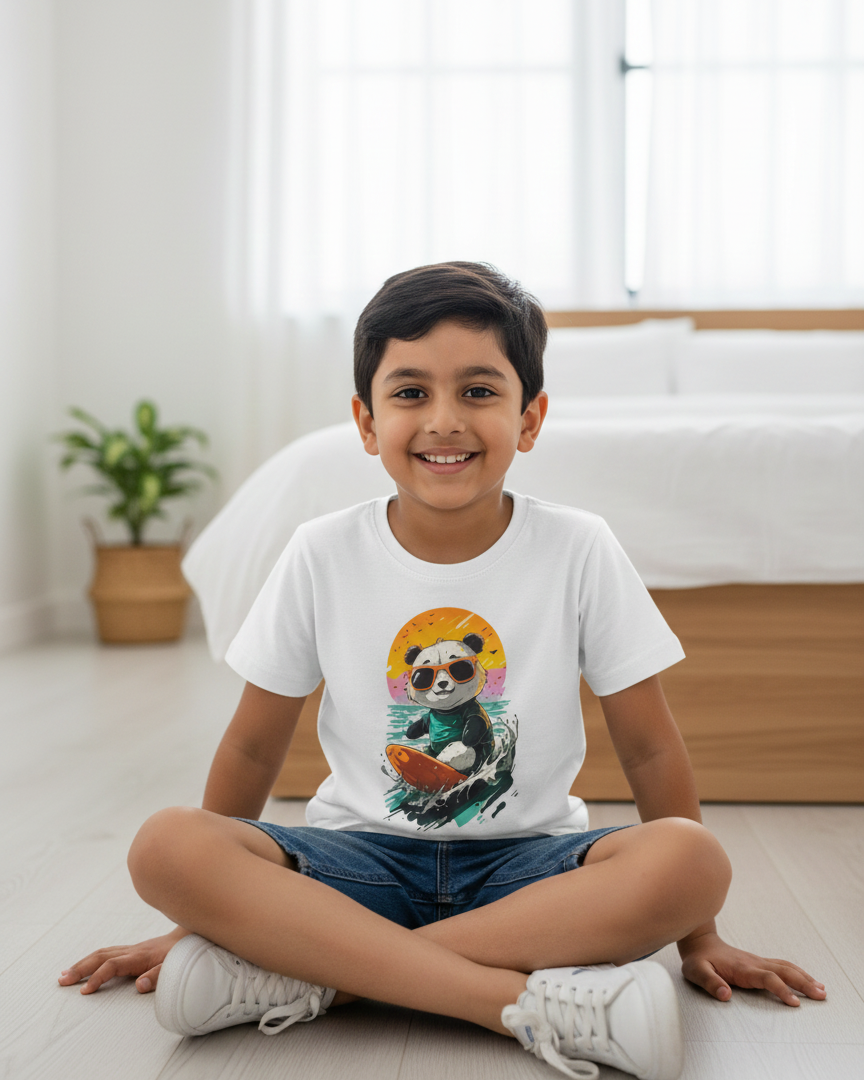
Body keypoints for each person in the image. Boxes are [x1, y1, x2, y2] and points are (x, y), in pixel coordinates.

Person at [58, 263, 826, 1080]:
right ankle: (513, 1005)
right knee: (165, 845)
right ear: (366, 420)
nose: (445, 421)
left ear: (530, 419)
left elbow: (649, 751)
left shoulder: (579, 547)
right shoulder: (322, 551)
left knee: (691, 859)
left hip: (529, 871)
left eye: (480, 392)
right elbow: (252, 752)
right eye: (412, 393)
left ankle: (318, 974)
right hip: (356, 864)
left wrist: (699, 935)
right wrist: (197, 917)